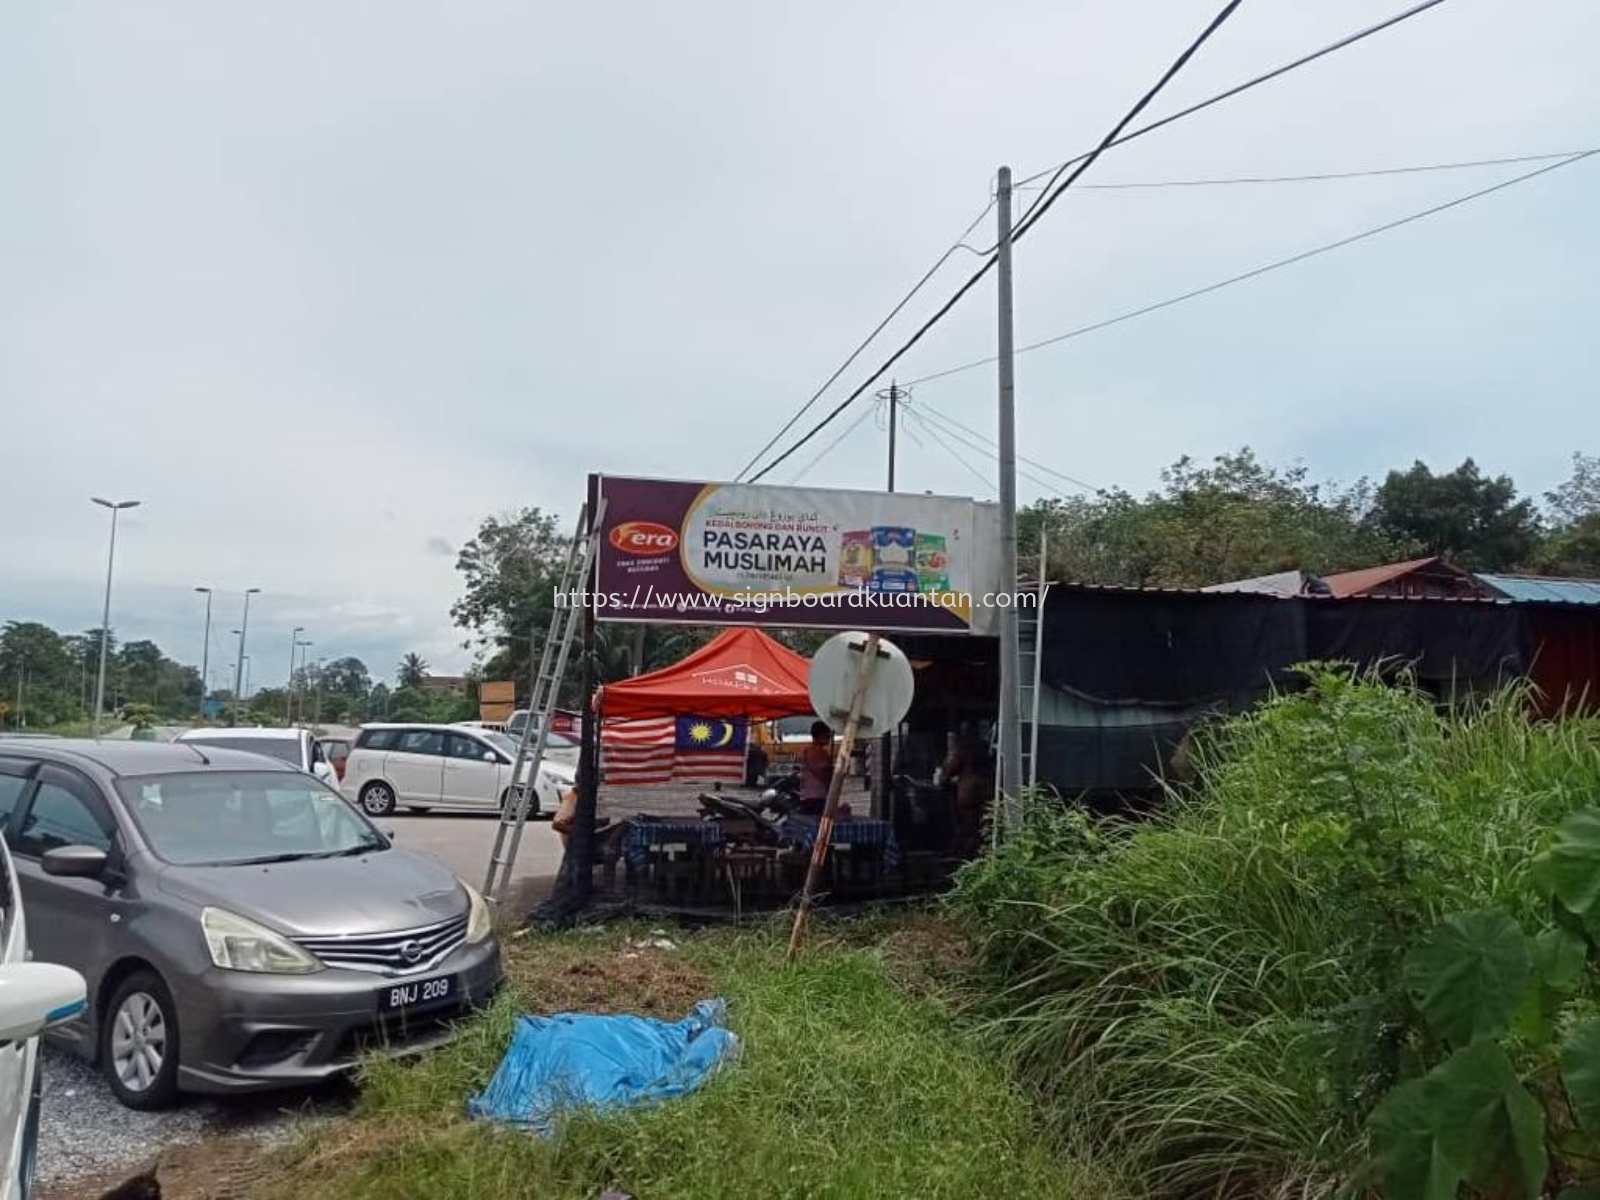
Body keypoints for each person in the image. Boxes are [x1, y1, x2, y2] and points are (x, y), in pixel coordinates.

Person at [941, 720, 991, 856]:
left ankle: (966, 851)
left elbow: (951, 768)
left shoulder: (962, 747)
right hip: (985, 789)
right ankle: (978, 849)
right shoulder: (984, 746)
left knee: (966, 823)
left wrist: (944, 777)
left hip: (968, 791)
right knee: (980, 822)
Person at [797, 719, 835, 816]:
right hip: (818, 795)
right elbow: (824, 773)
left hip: (807, 794)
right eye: (827, 735)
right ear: (820, 736)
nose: (829, 738)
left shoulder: (806, 751)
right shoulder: (820, 753)